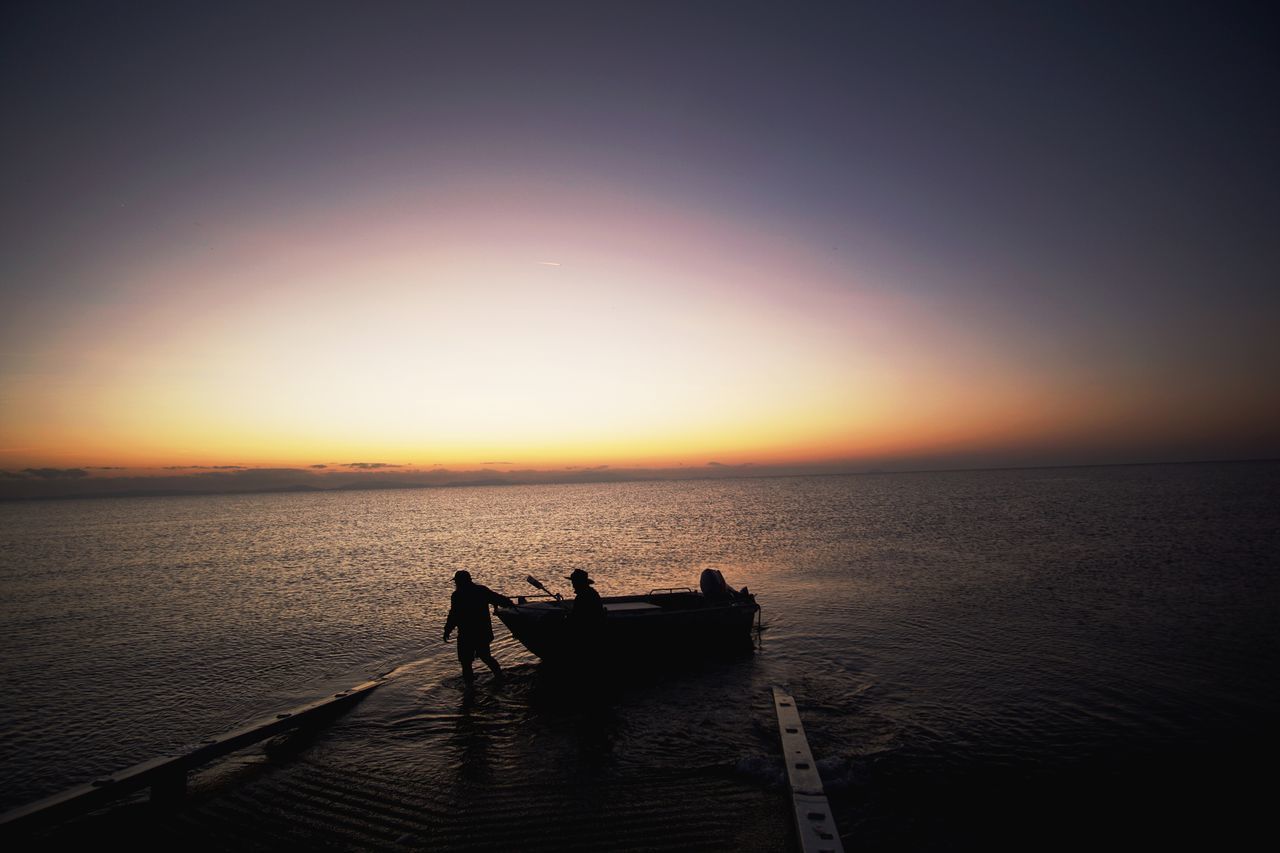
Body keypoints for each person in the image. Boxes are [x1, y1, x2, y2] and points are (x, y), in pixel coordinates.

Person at [443, 570, 515, 683]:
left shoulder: (457, 596)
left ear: (460, 582)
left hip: (467, 634)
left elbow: (453, 615)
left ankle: (470, 687)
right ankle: (499, 677)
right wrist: (510, 604)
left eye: (457, 582)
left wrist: (447, 630)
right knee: (484, 657)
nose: (456, 584)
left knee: (467, 662)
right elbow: (498, 599)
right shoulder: (480, 591)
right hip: (480, 633)